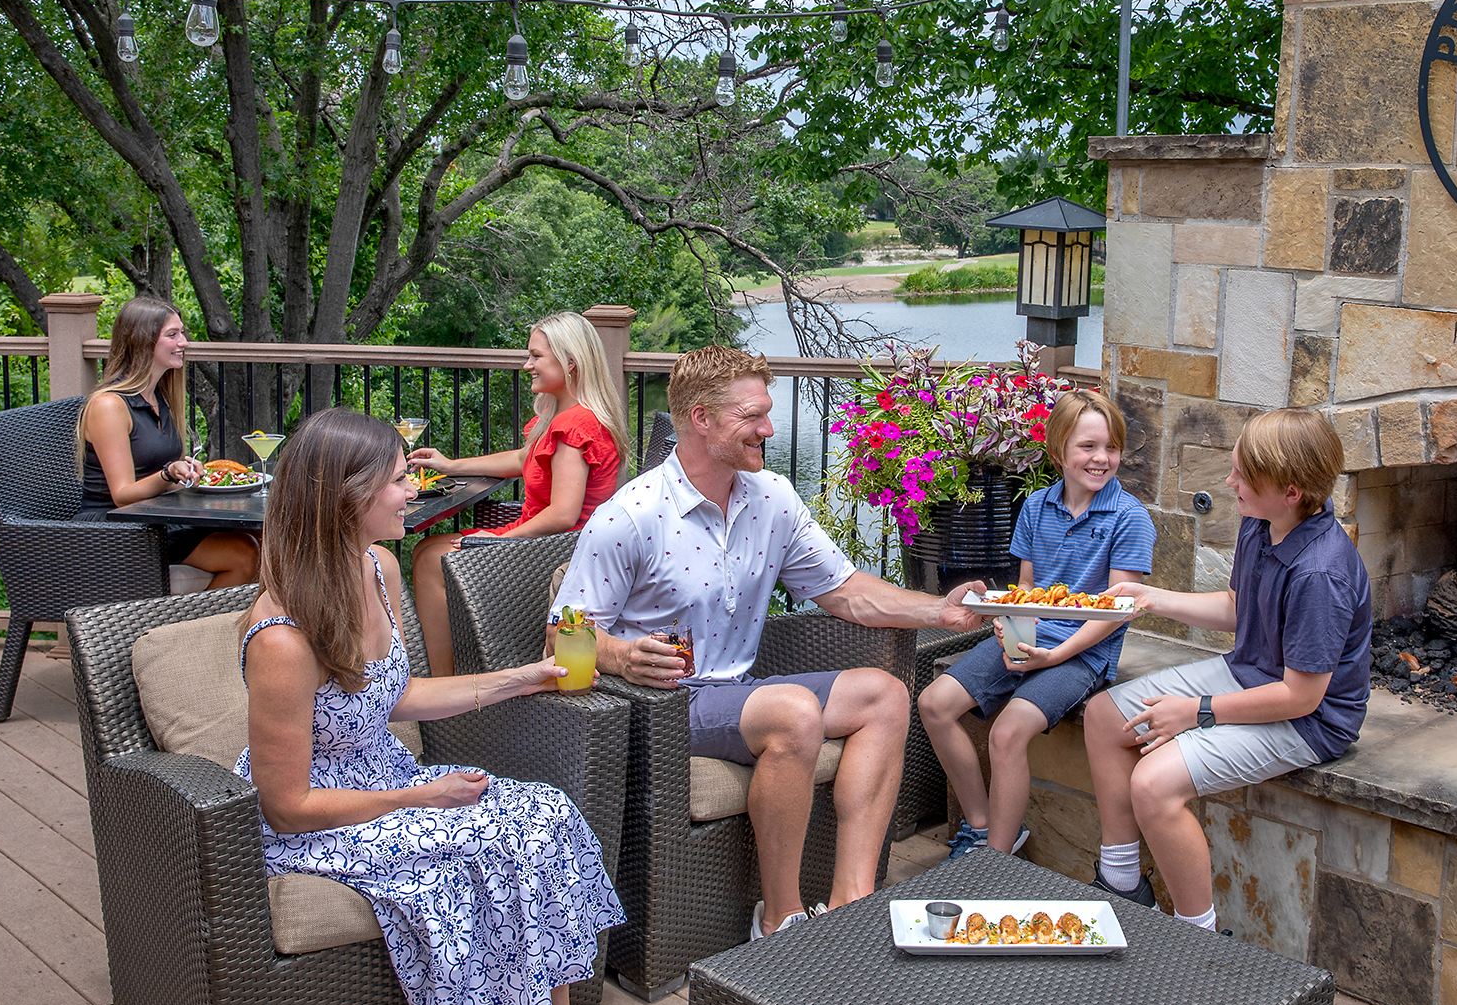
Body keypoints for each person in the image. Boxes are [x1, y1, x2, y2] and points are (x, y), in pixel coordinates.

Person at [551, 345, 985, 939]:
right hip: (664, 704)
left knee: (885, 697)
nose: (769, 429)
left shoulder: (771, 498)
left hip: (740, 692)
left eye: (767, 413)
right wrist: (624, 656)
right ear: (702, 419)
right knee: (795, 712)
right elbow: (561, 635)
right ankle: (780, 921)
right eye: (752, 416)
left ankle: (851, 901)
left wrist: (941, 611)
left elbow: (845, 591)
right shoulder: (631, 516)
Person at [237, 408, 623, 1005]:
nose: (414, 492)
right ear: (347, 498)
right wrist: (422, 797)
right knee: (489, 849)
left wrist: (525, 678)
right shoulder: (281, 639)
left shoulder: (378, 567)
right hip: (318, 820)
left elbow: (396, 695)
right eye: (398, 480)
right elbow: (285, 808)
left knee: (547, 813)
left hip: (386, 777)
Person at [1082, 407, 1371, 933]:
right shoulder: (1261, 521)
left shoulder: (1320, 574)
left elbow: (1301, 697)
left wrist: (1196, 712)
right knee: (1104, 716)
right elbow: (1239, 609)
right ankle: (1123, 883)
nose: (1229, 482)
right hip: (1250, 673)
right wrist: (1151, 597)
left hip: (1309, 721)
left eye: (1242, 475)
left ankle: (1198, 937)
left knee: (1153, 785)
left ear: (1290, 491)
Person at [919, 390, 1155, 861]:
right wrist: (1009, 628)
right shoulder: (1035, 508)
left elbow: (1116, 611)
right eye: (1088, 446)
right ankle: (980, 826)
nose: (1102, 458)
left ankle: (996, 860)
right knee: (934, 704)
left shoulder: (1130, 519)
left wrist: (1055, 655)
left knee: (1007, 733)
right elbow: (1027, 588)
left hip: (1082, 653)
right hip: (1031, 636)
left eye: (1111, 447)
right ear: (1058, 450)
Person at [408, 311, 627, 675]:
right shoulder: (565, 415)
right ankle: (453, 671)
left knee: (433, 560)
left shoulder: (575, 426)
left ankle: (444, 682)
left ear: (570, 362)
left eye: (536, 356)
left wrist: (499, 540)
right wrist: (450, 465)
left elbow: (563, 514)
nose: (527, 365)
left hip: (554, 554)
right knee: (425, 549)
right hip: (544, 543)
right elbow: (523, 458)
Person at [75, 294, 258, 588]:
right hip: (113, 528)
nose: (183, 342)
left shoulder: (159, 398)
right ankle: (199, 621)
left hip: (155, 517)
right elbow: (122, 494)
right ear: (140, 340)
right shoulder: (109, 405)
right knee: (244, 554)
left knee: (264, 537)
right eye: (172, 335)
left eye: (182, 333)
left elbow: (161, 478)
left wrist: (190, 476)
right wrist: (169, 474)